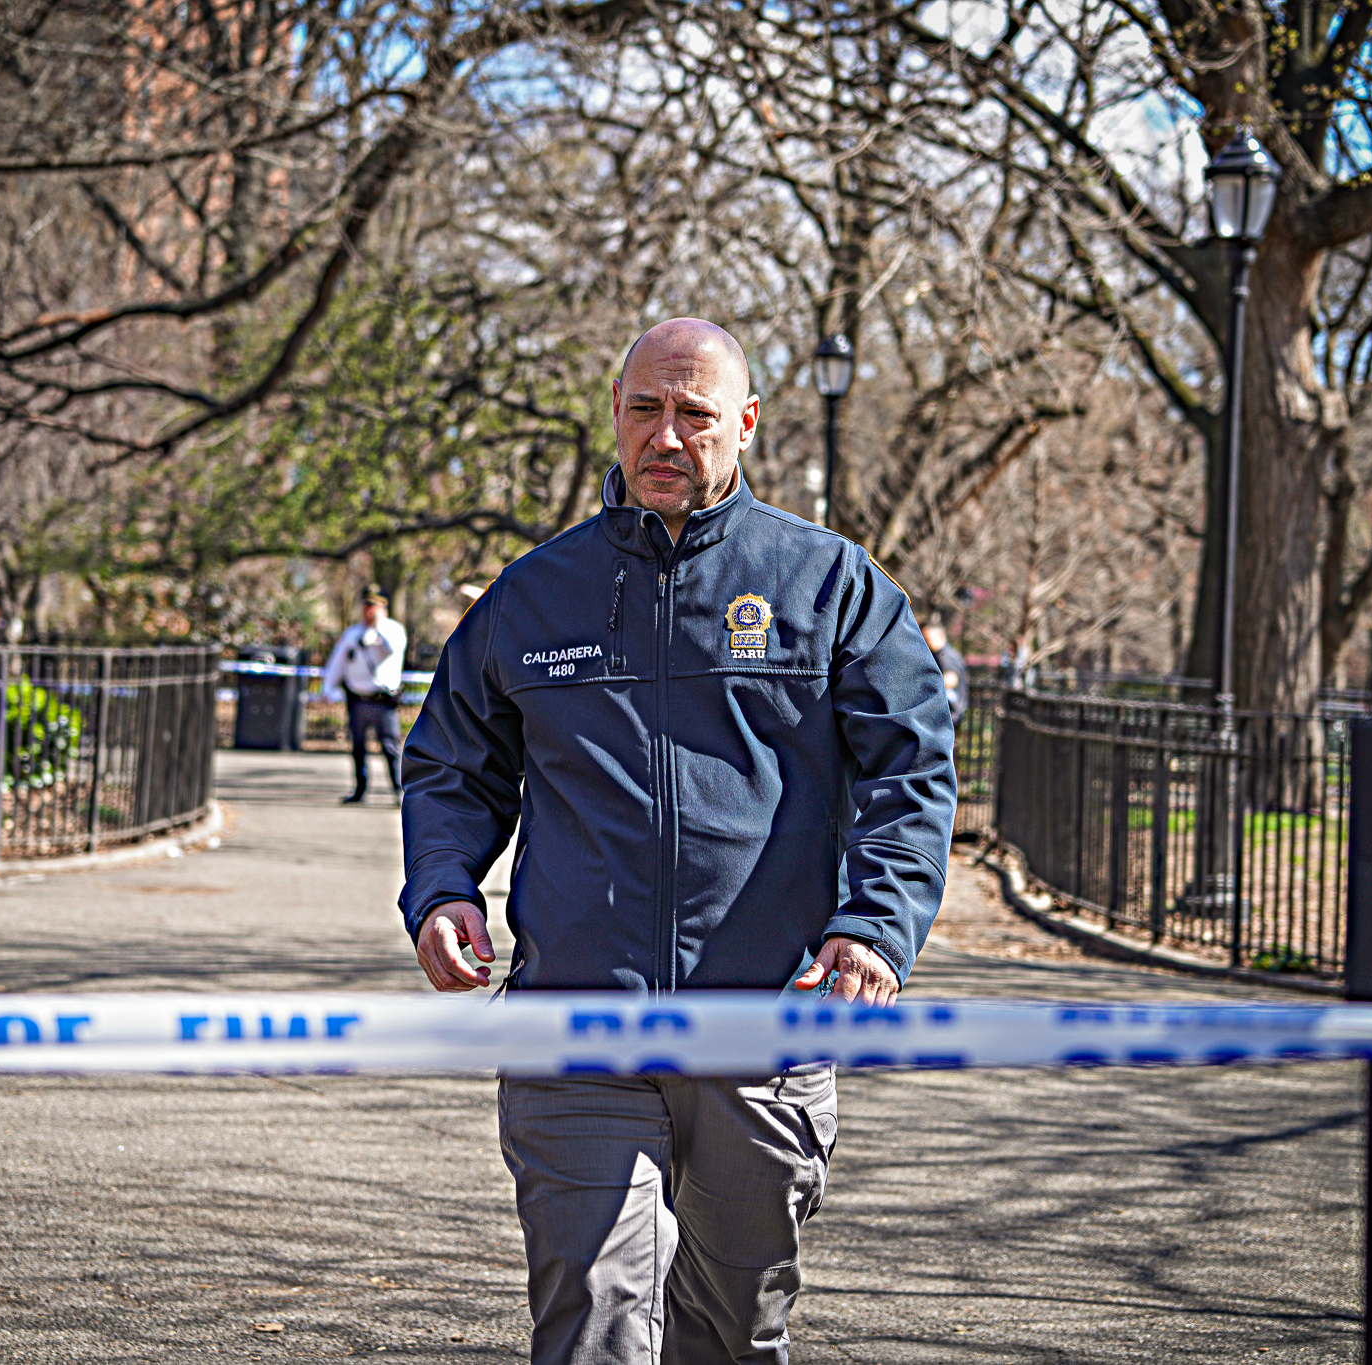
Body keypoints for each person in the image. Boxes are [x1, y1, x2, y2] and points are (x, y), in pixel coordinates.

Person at [399, 318, 957, 1365]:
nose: (666, 436)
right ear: (615, 414)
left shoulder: (829, 585)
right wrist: (442, 887)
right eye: (644, 409)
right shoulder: (531, 596)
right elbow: (450, 766)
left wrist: (876, 928)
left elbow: (908, 770)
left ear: (742, 424)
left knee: (734, 1328)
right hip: (577, 1024)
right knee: (593, 1316)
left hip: (762, 1025)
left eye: (694, 415)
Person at [320, 587, 408, 804]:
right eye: (366, 606)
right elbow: (338, 662)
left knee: (390, 747)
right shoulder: (352, 633)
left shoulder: (394, 630)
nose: (368, 611)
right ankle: (360, 789)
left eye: (373, 606)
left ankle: (398, 790)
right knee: (358, 747)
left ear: (383, 608)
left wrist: (378, 628)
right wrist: (327, 687)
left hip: (383, 700)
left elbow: (391, 650)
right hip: (358, 699)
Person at [923, 623, 969, 725]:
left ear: (940, 636)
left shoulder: (947, 656)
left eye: (928, 639)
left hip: (950, 711)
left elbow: (950, 680)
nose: (926, 642)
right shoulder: (937, 654)